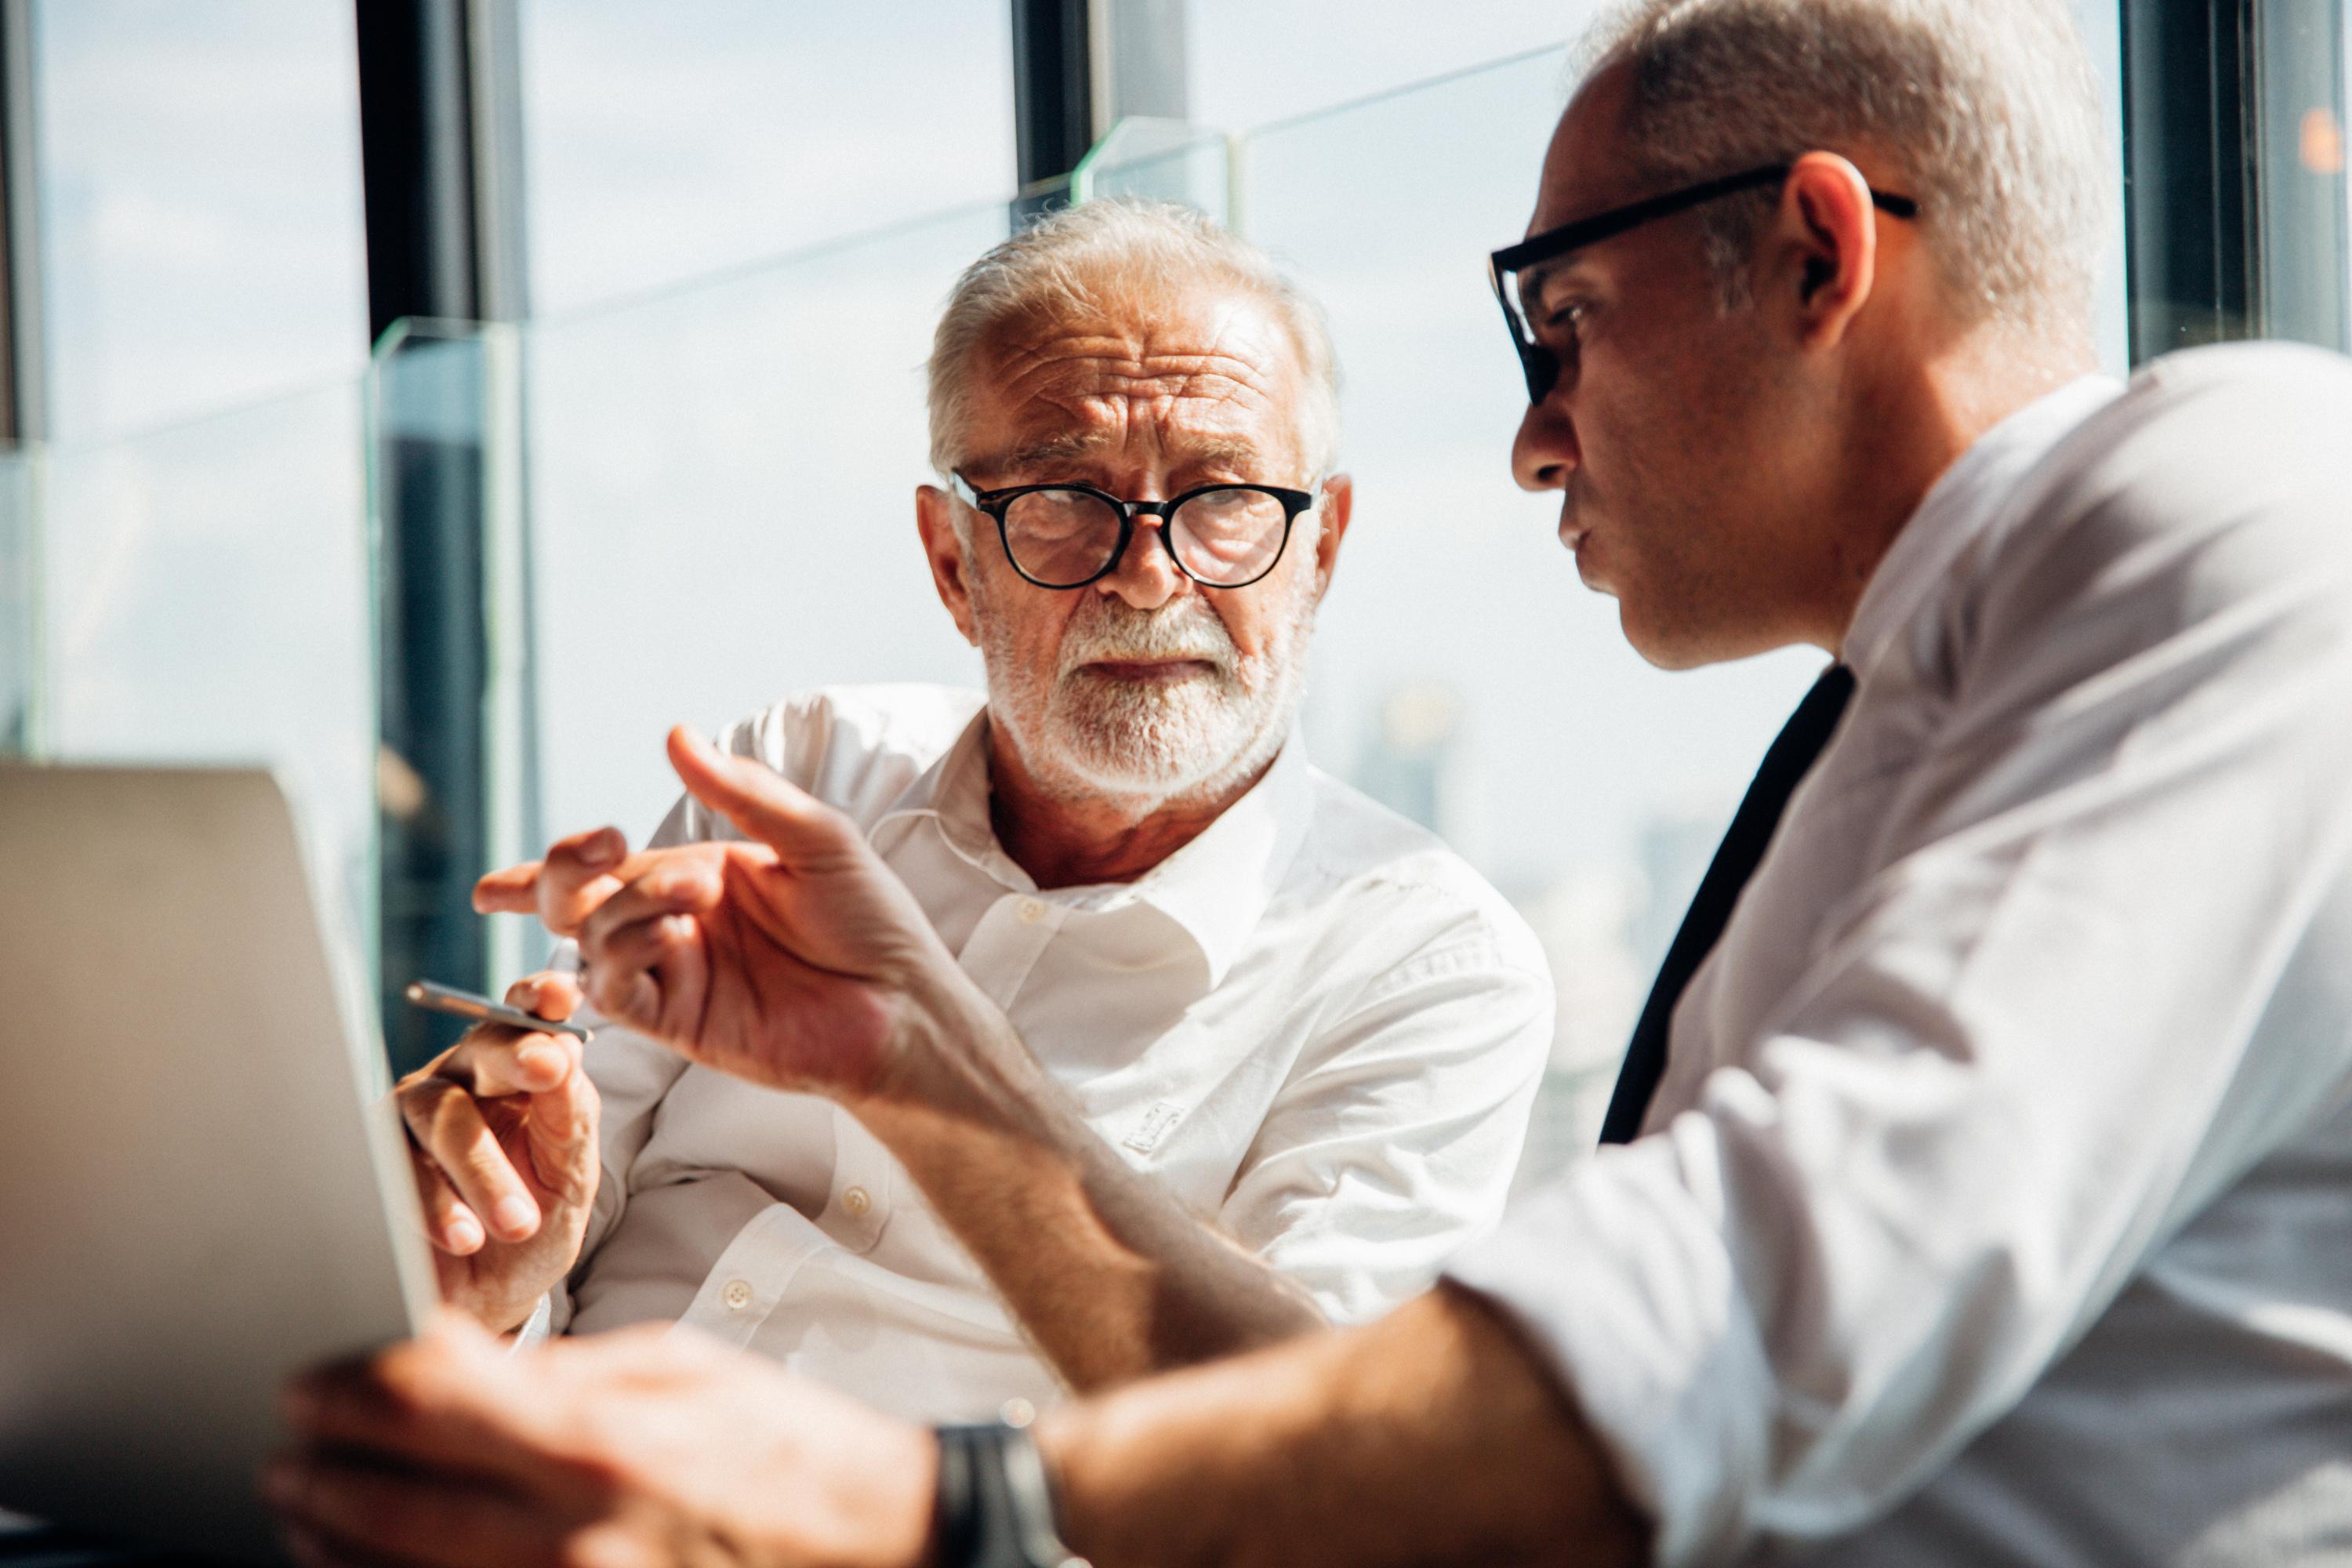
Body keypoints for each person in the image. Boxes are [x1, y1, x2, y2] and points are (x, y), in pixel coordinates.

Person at [270, 0, 2352, 1563]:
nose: (1536, 441)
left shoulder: (2245, 498)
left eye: (1562, 322)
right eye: (1072, 508)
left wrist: (919, 1505)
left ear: (1816, 255)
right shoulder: (1892, 729)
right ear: (952, 554)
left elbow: (1723, 1318)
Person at [389, 199, 1555, 1422]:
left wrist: (914, 1059)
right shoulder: (798, 772)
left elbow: (1300, 1470)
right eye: (1063, 497)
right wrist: (488, 1280)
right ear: (952, 561)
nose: (1150, 576)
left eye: (1221, 498)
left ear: (1319, 551)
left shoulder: (1429, 968)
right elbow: (549, 1213)